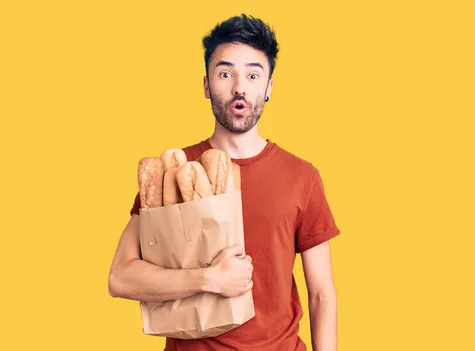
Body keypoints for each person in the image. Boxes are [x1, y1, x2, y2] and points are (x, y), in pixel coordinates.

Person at [108, 14, 340, 351]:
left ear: (269, 87)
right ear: (206, 85)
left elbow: (321, 295)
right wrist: (207, 279)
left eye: (253, 74)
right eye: (226, 73)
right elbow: (121, 277)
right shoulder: (170, 172)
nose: (239, 87)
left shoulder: (302, 177)